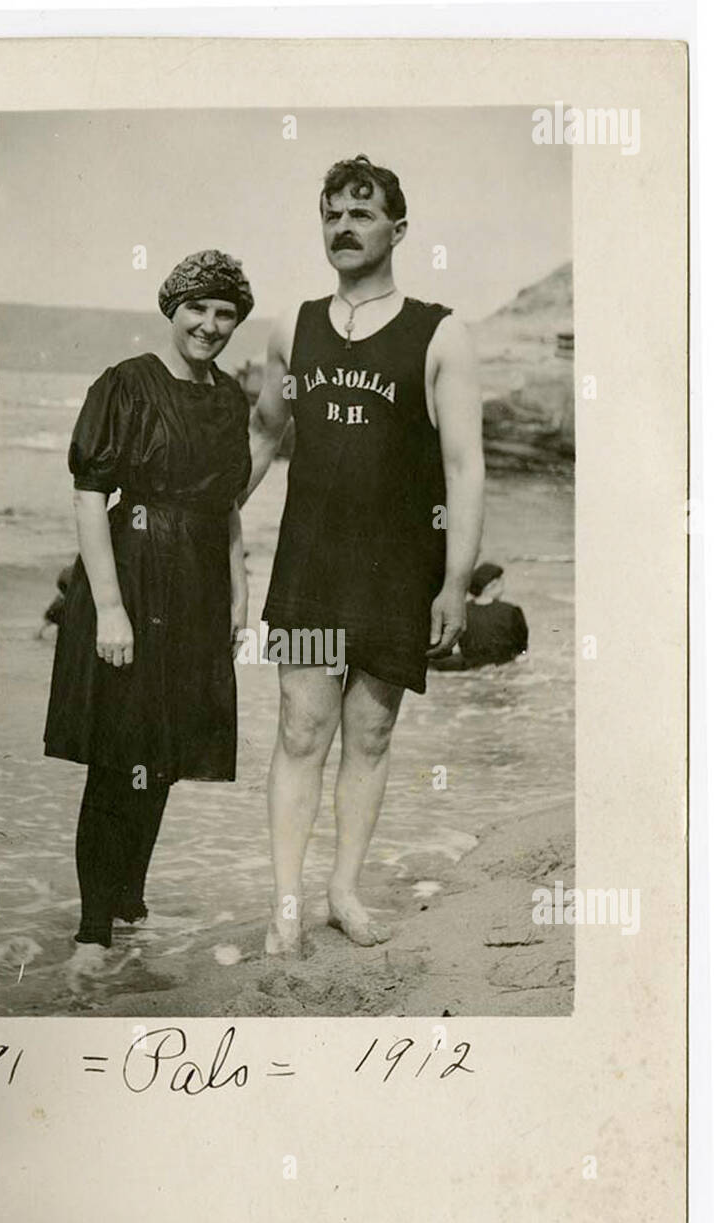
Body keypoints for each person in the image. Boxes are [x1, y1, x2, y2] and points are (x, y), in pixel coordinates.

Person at [244, 155, 485, 954]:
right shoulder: (293, 326)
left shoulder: (439, 330)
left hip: (395, 574)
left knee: (370, 735)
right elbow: (264, 434)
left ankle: (342, 890)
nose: (342, 227)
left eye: (361, 212)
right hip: (310, 569)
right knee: (299, 731)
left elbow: (463, 466)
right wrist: (210, 518)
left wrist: (454, 581)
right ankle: (286, 902)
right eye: (331, 214)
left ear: (397, 229)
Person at [43, 249, 254, 949]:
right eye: (198, 308)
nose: (210, 324)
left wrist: (239, 588)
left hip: (198, 583)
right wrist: (107, 607)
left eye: (225, 313)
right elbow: (88, 494)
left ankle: (130, 900)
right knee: (117, 753)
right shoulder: (125, 385)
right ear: (173, 309)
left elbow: (226, 506)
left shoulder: (229, 398)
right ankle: (92, 931)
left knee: (162, 754)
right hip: (131, 575)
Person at [428, 562, 529, 670]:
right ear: (492, 585)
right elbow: (521, 646)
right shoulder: (511, 610)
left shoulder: (461, 610)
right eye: (501, 581)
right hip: (502, 665)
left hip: (471, 665)